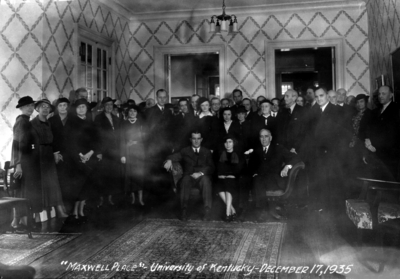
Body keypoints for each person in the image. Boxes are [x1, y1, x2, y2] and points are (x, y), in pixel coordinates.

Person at [249, 129, 299, 220]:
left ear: (270, 138)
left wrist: (287, 166)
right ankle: (263, 210)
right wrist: (254, 173)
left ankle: (263, 210)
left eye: (266, 136)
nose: (264, 139)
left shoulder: (278, 148)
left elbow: (295, 157)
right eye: (261, 137)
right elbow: (251, 165)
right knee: (256, 179)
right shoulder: (256, 150)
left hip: (275, 180)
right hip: (261, 179)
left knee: (257, 182)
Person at [164, 131, 214, 221]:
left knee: (206, 181)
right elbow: (174, 156)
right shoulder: (185, 150)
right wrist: (169, 160)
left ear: (201, 139)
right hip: (189, 176)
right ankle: (184, 210)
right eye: (194, 138)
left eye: (198, 138)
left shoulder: (206, 151)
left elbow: (211, 167)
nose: (196, 141)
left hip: (201, 176)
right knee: (184, 181)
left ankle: (207, 211)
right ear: (190, 140)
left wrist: (200, 173)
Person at [30, 99, 68, 218]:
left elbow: (54, 140)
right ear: (37, 109)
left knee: (53, 182)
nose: (45, 109)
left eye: (47, 107)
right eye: (43, 107)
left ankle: (59, 210)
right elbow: (30, 142)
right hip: (38, 155)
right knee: (40, 184)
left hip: (49, 155)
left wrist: (55, 153)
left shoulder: (49, 123)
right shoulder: (32, 123)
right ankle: (37, 215)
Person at [307, 88, 343, 211]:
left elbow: (340, 135)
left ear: (327, 96)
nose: (319, 98)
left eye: (321, 95)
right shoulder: (315, 111)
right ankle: (322, 207)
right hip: (317, 153)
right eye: (316, 97)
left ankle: (331, 209)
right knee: (319, 181)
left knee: (331, 182)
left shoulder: (337, 110)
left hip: (331, 153)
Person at [10, 96, 42, 229]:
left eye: (31, 105)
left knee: (29, 192)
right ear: (21, 108)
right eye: (27, 106)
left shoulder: (28, 122)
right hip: (24, 164)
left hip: (30, 163)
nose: (30, 108)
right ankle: (20, 222)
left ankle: (23, 221)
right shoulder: (21, 122)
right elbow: (17, 145)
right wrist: (18, 165)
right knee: (24, 192)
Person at [69, 98, 99, 224]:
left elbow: (97, 141)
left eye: (83, 107)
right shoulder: (71, 123)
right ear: (75, 109)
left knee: (87, 186)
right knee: (78, 186)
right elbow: (71, 142)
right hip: (77, 158)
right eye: (79, 107)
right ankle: (74, 212)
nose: (81, 109)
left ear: (87, 109)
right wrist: (81, 155)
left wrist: (90, 153)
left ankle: (81, 211)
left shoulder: (91, 122)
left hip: (89, 157)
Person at [364, 86, 400, 180]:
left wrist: (375, 147)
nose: (380, 96)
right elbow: (369, 129)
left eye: (383, 93)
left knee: (387, 186)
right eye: (379, 94)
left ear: (391, 95)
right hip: (374, 154)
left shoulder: (396, 110)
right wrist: (367, 140)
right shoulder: (375, 111)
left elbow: (393, 135)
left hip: (389, 157)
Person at [49, 98, 78, 210]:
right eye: (60, 105)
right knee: (61, 181)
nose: (62, 107)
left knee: (72, 181)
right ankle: (63, 207)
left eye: (64, 105)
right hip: (58, 154)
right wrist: (55, 152)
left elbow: (77, 138)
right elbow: (51, 138)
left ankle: (71, 207)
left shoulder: (73, 119)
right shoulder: (52, 120)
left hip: (72, 154)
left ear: (67, 107)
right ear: (57, 107)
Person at [94, 97, 122, 207]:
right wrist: (99, 152)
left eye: (111, 105)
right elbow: (96, 136)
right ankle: (101, 199)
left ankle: (110, 198)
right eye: (107, 105)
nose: (109, 107)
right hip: (104, 151)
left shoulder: (116, 119)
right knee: (102, 176)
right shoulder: (98, 118)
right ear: (103, 106)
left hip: (114, 152)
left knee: (112, 176)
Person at [121, 105, 146, 206]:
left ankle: (140, 199)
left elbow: (146, 138)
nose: (132, 113)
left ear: (137, 113)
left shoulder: (141, 123)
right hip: (128, 151)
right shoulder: (124, 124)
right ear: (128, 113)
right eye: (130, 111)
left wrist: (137, 142)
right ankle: (133, 199)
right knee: (130, 175)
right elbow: (122, 139)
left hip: (139, 151)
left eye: (134, 111)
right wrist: (123, 155)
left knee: (139, 175)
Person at [215, 135, 244, 221]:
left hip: (235, 178)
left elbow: (241, 169)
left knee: (228, 182)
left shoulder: (238, 154)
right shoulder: (221, 154)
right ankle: (233, 210)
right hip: (223, 177)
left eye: (230, 142)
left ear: (233, 143)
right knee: (217, 183)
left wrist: (233, 175)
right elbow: (218, 167)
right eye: (226, 142)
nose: (228, 144)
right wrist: (221, 174)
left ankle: (227, 212)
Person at [282, 89, 305, 155]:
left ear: (294, 98)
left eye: (287, 96)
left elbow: (303, 131)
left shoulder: (303, 111)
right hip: (285, 149)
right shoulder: (283, 111)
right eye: (284, 96)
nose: (284, 98)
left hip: (297, 149)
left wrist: (295, 147)